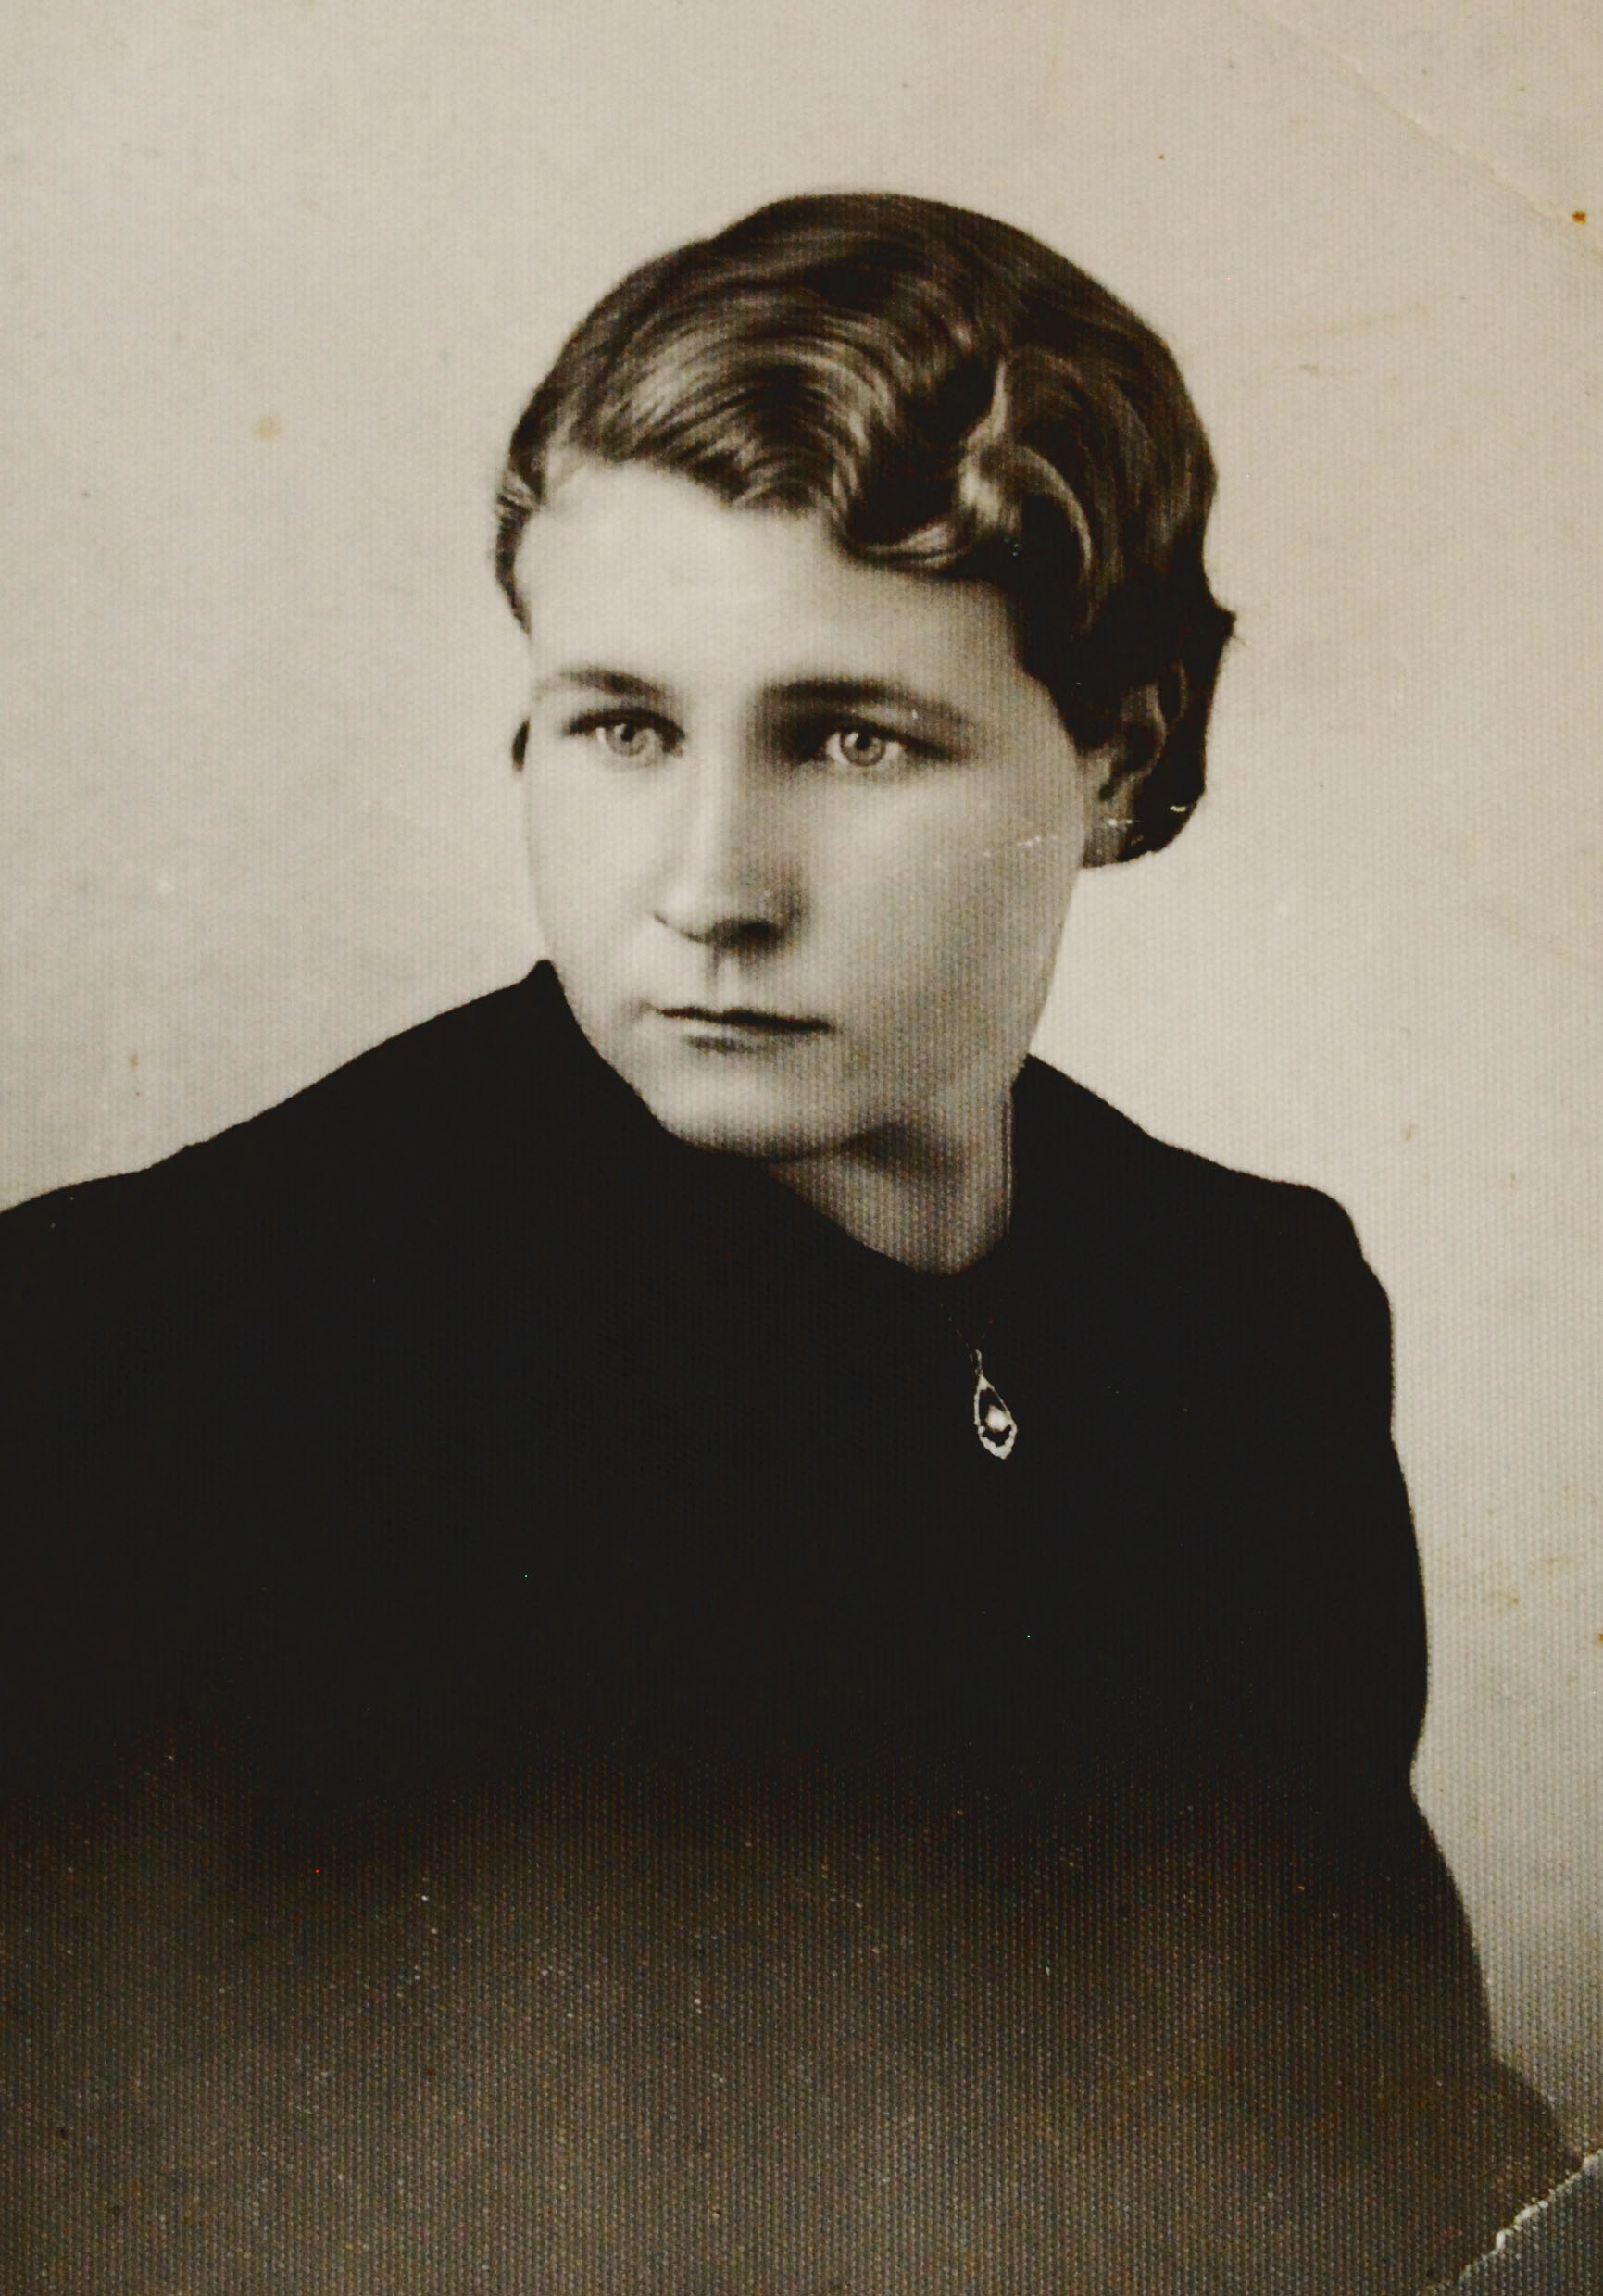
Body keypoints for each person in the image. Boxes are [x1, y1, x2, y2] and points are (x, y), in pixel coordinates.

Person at [0, 194, 1572, 2291]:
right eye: (624, 725)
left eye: (850, 738)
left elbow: (1392, 2154)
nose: (710, 887)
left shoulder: (1239, 1313)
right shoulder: (137, 1360)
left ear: (1122, 754)